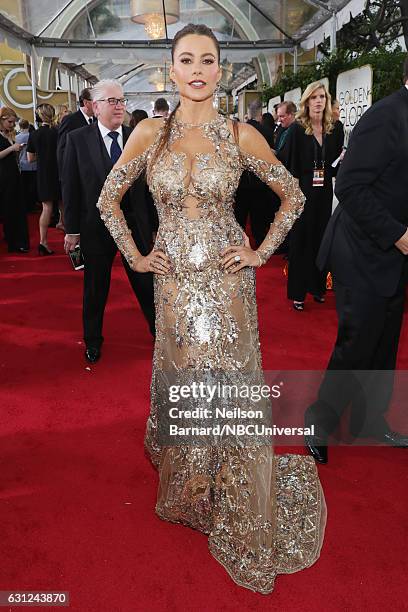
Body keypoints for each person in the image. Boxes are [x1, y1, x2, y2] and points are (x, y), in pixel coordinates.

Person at [96, 24, 326, 595]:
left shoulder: (240, 134)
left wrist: (260, 251)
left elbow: (293, 195)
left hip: (227, 286)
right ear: (171, 70)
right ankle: (192, 486)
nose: (197, 69)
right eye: (186, 60)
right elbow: (107, 199)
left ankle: (237, 489)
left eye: (208, 60)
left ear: (220, 70)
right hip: (174, 287)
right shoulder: (150, 132)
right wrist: (138, 256)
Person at [305, 58, 408, 464]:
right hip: (361, 250)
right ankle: (319, 418)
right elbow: (348, 185)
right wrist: (398, 236)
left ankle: (370, 421)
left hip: (393, 255)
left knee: (385, 344)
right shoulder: (387, 116)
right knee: (357, 342)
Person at [62, 79, 156, 364]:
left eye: (122, 100)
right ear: (96, 105)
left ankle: (160, 334)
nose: (119, 106)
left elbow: (150, 186)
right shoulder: (77, 139)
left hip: (135, 226)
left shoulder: (137, 136)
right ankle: (92, 340)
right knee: (95, 287)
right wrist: (73, 230)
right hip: (96, 227)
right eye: (113, 101)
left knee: (146, 284)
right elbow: (71, 185)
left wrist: (153, 227)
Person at [279, 82, 344, 311]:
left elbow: (335, 166)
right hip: (304, 191)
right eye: (314, 97)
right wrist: (292, 198)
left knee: (321, 239)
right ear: (306, 102)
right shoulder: (297, 129)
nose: (318, 101)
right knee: (300, 242)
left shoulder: (335, 129)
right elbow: (290, 166)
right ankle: (298, 292)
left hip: (324, 191)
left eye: (322, 97)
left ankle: (317, 288)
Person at [234, 99, 277, 246]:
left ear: (248, 113)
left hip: (241, 180)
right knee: (258, 216)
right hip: (260, 180)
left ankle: (237, 244)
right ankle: (259, 243)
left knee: (240, 215)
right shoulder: (267, 131)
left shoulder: (239, 129)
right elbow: (271, 158)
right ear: (261, 114)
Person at [27, 104, 61, 255]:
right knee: (64, 206)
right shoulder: (58, 132)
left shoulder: (34, 134)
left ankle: (43, 241)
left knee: (46, 208)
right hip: (60, 173)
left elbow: (30, 159)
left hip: (43, 174)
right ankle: (72, 242)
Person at [0, 107, 29, 252]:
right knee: (9, 209)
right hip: (4, 178)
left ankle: (18, 240)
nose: (12, 125)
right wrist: (12, 149)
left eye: (13, 122)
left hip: (14, 175)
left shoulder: (10, 135)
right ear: (2, 119)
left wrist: (17, 150)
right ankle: (13, 241)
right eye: (10, 122)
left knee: (17, 208)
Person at [57, 88, 94, 172]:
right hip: (77, 171)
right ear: (86, 103)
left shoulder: (98, 120)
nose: (99, 104)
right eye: (96, 101)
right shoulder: (70, 120)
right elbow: (62, 149)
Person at [15, 118, 38, 213]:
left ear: (19, 126)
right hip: (33, 164)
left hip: (22, 165)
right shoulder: (32, 136)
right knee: (33, 188)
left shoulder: (16, 138)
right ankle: (32, 206)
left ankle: (26, 206)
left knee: (24, 187)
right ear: (28, 125)